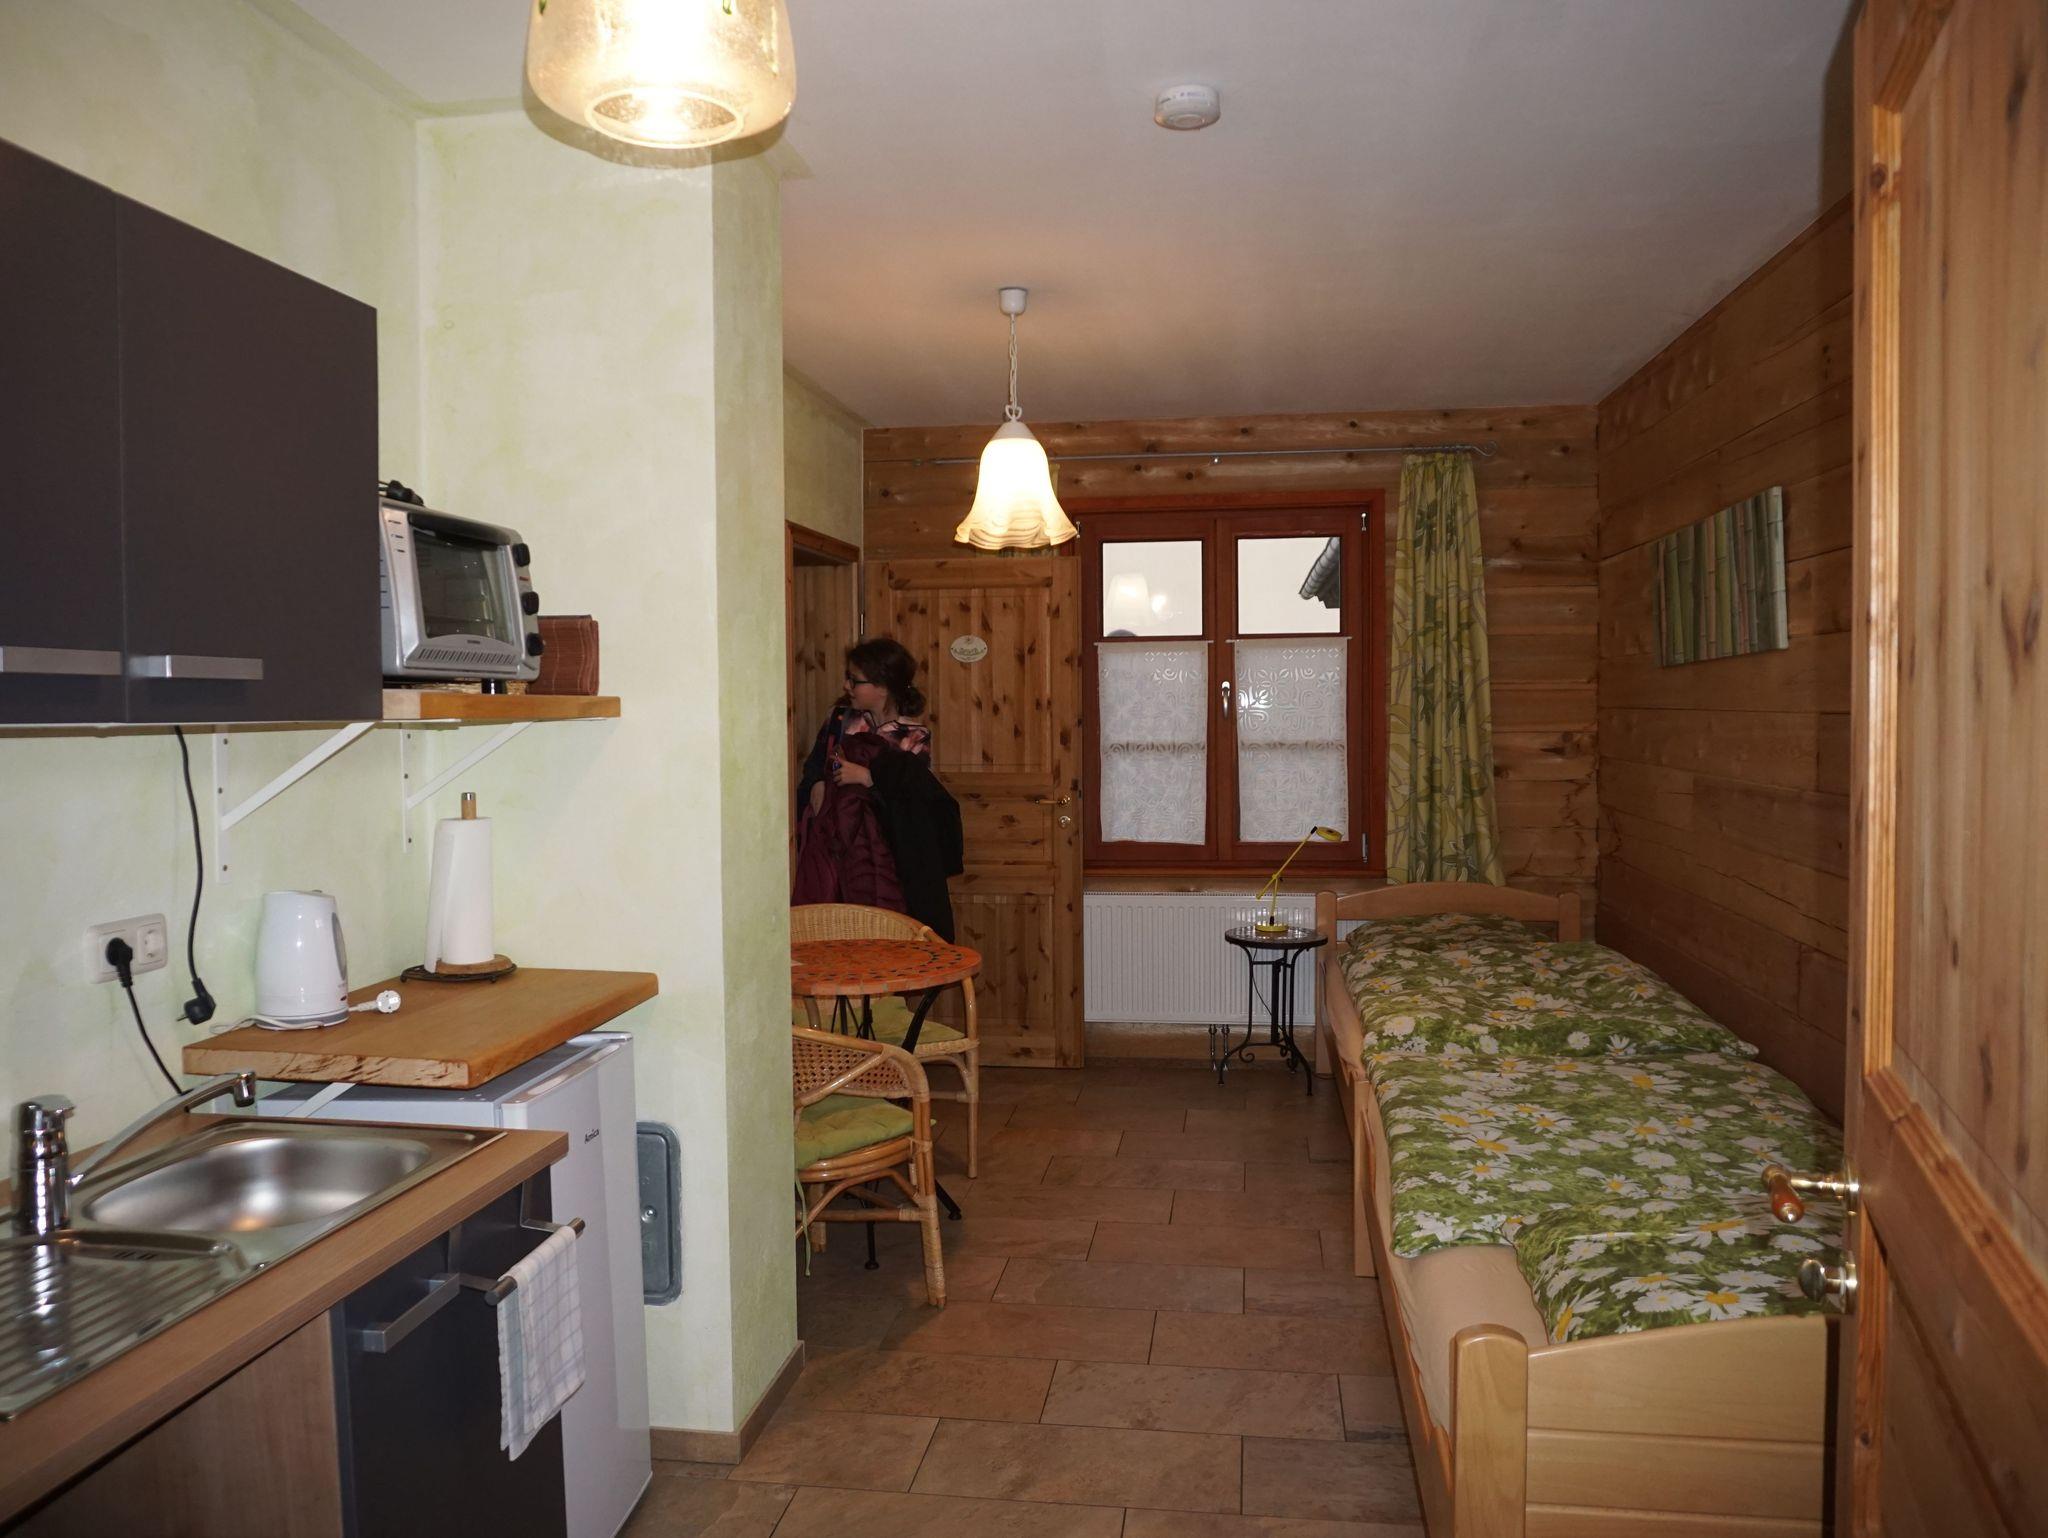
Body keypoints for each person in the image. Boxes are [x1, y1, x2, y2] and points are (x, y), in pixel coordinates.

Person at [794, 638, 963, 940]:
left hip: (882, 850)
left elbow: (911, 802)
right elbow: (815, 764)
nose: (847, 685)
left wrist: (868, 778)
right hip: (834, 841)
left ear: (882, 687)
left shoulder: (913, 736)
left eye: (855, 680)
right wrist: (816, 784)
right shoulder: (839, 719)